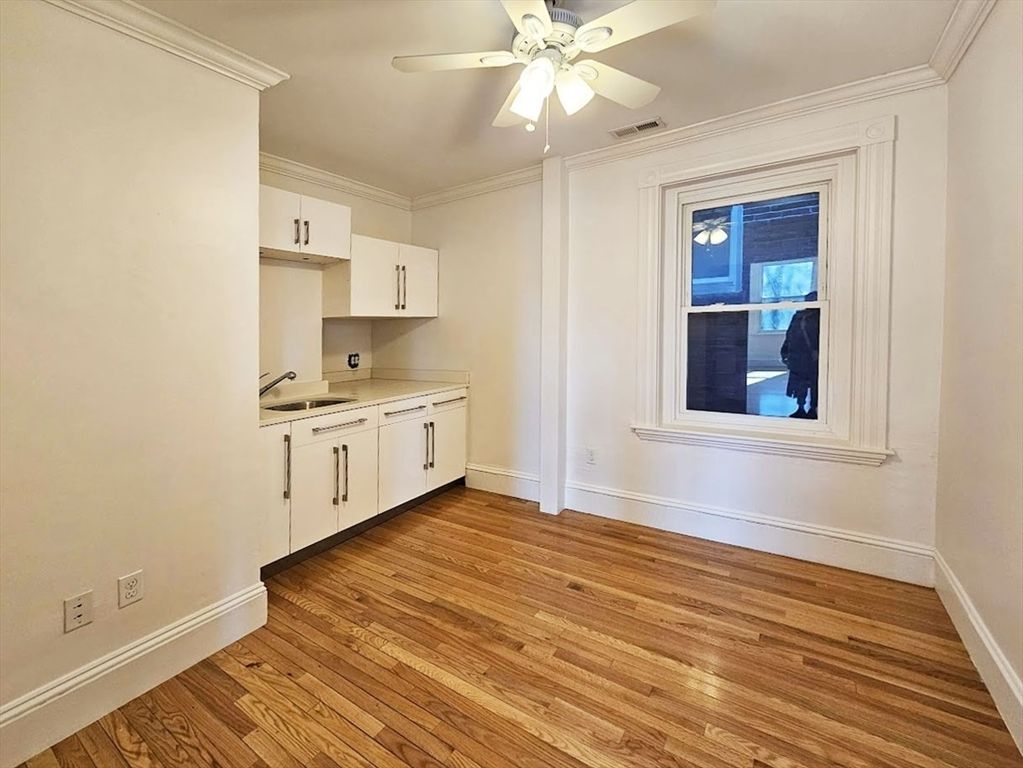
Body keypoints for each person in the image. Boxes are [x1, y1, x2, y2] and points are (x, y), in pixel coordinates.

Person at [780, 291, 820, 419]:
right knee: (799, 384)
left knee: (815, 383)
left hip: (812, 357)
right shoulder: (798, 316)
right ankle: (800, 407)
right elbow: (790, 334)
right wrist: (785, 350)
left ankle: (813, 408)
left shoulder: (821, 316)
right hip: (798, 356)